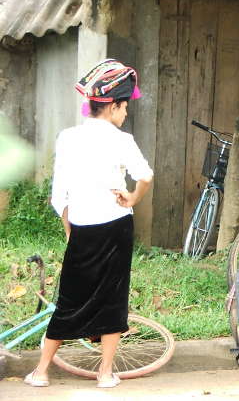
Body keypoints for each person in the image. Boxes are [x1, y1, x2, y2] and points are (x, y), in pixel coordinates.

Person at [24, 59, 153, 389]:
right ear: (112, 107)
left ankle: (40, 372)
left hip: (81, 228)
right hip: (115, 228)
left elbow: (59, 195)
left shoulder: (67, 137)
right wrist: (132, 198)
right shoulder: (121, 140)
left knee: (69, 299)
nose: (125, 114)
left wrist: (70, 231)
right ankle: (105, 373)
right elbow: (145, 177)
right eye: (124, 108)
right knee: (113, 298)